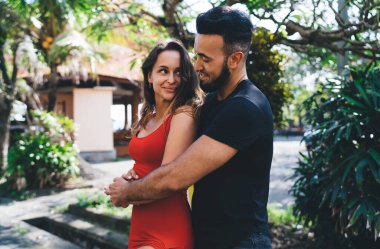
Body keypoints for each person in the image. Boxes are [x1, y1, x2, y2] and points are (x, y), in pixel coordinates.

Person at [105, 6, 273, 249]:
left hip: (241, 242)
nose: (196, 66)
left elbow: (175, 177)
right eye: (197, 56)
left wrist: (127, 191)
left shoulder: (245, 107)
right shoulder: (212, 102)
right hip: (206, 238)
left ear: (235, 59)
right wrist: (137, 172)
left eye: (205, 59)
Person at [110, 40, 203, 249]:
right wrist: (129, 177)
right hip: (141, 224)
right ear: (150, 76)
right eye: (164, 71)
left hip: (167, 225)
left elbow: (167, 181)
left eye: (178, 72)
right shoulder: (148, 117)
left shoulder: (183, 115)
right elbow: (146, 164)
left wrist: (125, 192)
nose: (172, 79)